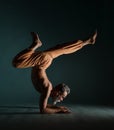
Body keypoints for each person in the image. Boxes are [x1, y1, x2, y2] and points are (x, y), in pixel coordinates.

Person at [12, 31, 97, 114]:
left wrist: (58, 107)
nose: (61, 100)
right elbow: (43, 110)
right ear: (57, 91)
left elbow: (44, 106)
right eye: (62, 96)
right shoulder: (47, 87)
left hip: (45, 60)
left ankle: (88, 41)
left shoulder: (47, 89)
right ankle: (35, 45)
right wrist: (59, 110)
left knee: (63, 49)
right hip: (43, 61)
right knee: (16, 63)